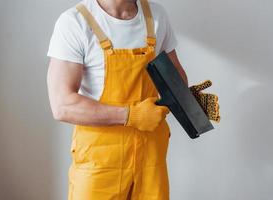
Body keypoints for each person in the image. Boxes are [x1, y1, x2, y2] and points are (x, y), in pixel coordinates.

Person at [47, 0, 188, 199]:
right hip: (101, 163)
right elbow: (62, 105)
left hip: (150, 158)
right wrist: (131, 115)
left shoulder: (156, 16)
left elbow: (176, 81)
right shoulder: (75, 22)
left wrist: (188, 101)